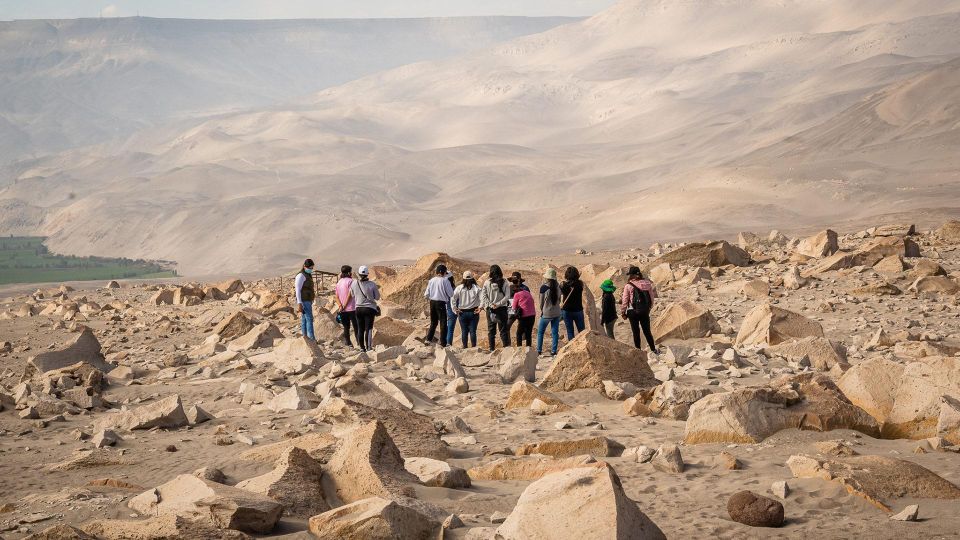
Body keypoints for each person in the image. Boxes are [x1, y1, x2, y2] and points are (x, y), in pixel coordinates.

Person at [621, 266, 659, 353]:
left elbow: (625, 300)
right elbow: (651, 298)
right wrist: (649, 308)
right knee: (647, 331)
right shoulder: (647, 283)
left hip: (632, 311)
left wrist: (623, 312)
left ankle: (638, 351)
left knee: (636, 332)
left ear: (631, 275)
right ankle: (653, 349)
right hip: (644, 310)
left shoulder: (628, 285)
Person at [480, 264, 512, 350]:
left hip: (490, 309)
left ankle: (491, 349)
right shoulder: (505, 282)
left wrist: (490, 304)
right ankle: (506, 349)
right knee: (503, 331)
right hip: (501, 309)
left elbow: (484, 296)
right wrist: (498, 304)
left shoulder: (487, 283)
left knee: (491, 331)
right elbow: (507, 296)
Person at [423, 263, 455, 347]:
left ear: (436, 272)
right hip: (441, 303)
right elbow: (451, 294)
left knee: (433, 322)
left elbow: (426, 294)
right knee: (443, 323)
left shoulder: (431, 280)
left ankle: (428, 340)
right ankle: (443, 343)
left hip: (432, 302)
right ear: (444, 272)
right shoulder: (445, 281)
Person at [350, 265, 380, 352]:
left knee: (360, 328)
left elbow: (352, 295)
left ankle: (362, 348)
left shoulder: (354, 283)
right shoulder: (372, 284)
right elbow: (377, 297)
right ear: (367, 274)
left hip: (358, 308)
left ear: (359, 274)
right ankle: (369, 347)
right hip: (369, 309)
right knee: (369, 329)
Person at [451, 271, 482, 348]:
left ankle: (465, 347)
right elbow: (483, 299)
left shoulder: (459, 288)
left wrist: (455, 309)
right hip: (474, 312)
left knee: (464, 331)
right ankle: (474, 348)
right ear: (472, 278)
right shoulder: (477, 288)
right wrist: (480, 308)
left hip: (462, 312)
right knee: (473, 331)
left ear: (463, 278)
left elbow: (453, 298)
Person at [537, 268, 562, 356]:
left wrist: (542, 310)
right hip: (557, 312)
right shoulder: (558, 286)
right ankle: (553, 351)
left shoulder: (543, 287)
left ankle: (539, 350)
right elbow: (559, 300)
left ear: (547, 277)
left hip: (547, 313)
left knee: (540, 332)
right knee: (555, 332)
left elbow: (541, 302)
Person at [334, 265, 359, 347]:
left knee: (346, 327)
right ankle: (359, 343)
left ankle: (348, 344)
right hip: (352, 308)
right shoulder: (351, 281)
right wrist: (344, 305)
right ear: (349, 272)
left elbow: (336, 297)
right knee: (356, 327)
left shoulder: (339, 282)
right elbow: (350, 294)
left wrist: (340, 306)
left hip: (343, 310)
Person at [559, 266, 585, 340]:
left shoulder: (563, 285)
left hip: (567, 310)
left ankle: (572, 346)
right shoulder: (580, 284)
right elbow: (577, 283)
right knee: (582, 331)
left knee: (570, 331)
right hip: (578, 310)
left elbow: (561, 289)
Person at [295, 259, 316, 341]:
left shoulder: (307, 275)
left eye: (312, 268)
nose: (311, 269)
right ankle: (311, 339)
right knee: (309, 319)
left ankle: (305, 338)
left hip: (308, 299)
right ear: (305, 267)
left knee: (304, 319)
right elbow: (298, 290)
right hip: (304, 300)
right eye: (310, 268)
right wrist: (299, 303)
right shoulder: (301, 276)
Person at [511, 280, 536, 347]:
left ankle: (519, 349)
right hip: (532, 315)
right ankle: (529, 348)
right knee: (528, 333)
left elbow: (513, 307)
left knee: (519, 333)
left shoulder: (516, 294)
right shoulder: (527, 292)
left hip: (524, 317)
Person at [444, 272, 458, 346]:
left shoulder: (442, 288)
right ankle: (448, 344)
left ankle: (443, 343)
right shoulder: (454, 289)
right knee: (450, 329)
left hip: (443, 309)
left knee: (444, 327)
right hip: (451, 310)